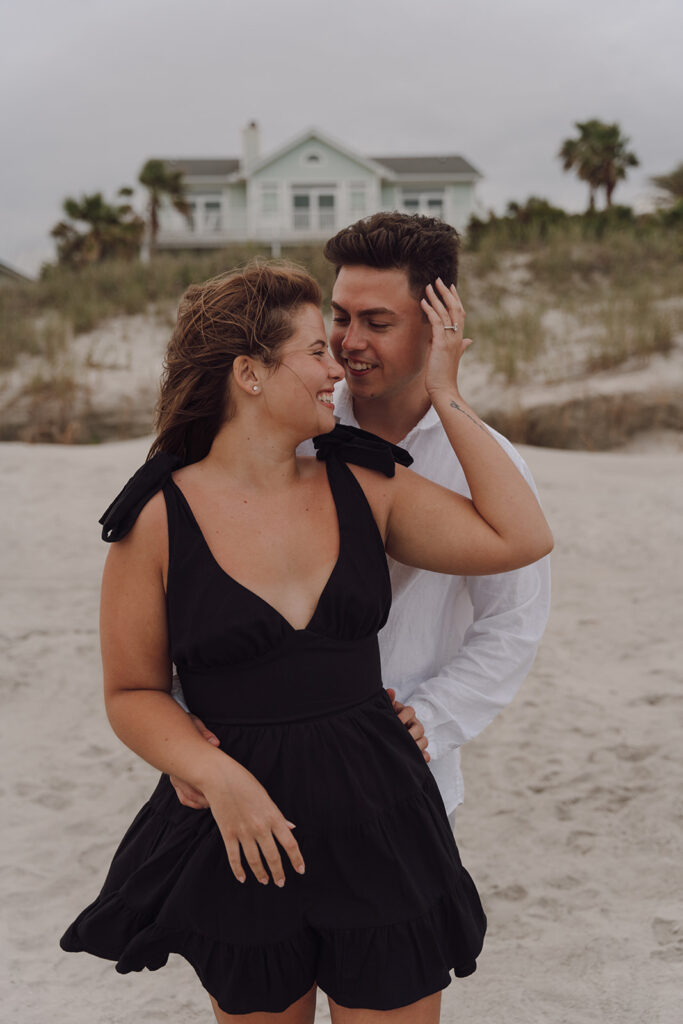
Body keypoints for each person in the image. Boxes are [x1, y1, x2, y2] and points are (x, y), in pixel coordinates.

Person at [60, 260, 553, 1023]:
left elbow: (521, 537)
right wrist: (213, 776)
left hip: (380, 817)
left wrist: (446, 393)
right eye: (317, 351)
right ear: (249, 374)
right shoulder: (154, 519)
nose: (340, 368)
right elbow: (131, 692)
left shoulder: (363, 484)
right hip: (242, 836)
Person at [173, 213, 551, 828]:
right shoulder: (285, 425)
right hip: (250, 771)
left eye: (377, 322)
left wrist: (433, 716)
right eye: (341, 317)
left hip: (404, 767)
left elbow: (513, 621)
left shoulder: (487, 467)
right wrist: (179, 736)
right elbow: (190, 587)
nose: (350, 342)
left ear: (437, 328)